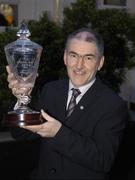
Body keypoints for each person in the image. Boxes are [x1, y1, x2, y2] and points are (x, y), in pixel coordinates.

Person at [6, 27, 128, 180]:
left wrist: (58, 133)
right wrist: (22, 96)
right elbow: (20, 133)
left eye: (88, 58)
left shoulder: (113, 105)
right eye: (73, 55)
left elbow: (103, 160)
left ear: (100, 62)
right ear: (65, 57)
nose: (79, 65)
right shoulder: (51, 90)